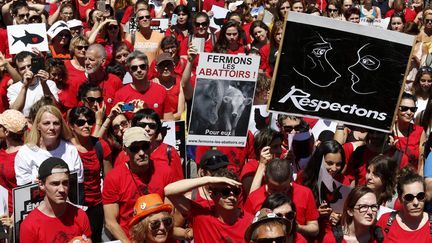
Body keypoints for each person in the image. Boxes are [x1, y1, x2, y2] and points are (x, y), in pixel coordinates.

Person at [103, 126, 176, 241]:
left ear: (150, 146)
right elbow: (111, 222)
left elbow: (169, 213)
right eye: (135, 148)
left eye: (145, 146)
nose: (141, 153)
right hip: (131, 239)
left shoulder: (164, 171)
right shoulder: (114, 177)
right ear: (125, 150)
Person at [165, 168, 254, 243]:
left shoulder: (250, 221)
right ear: (212, 194)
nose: (232, 197)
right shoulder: (201, 214)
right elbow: (169, 191)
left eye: (236, 192)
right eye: (225, 192)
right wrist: (208, 180)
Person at [19, 157, 92, 242]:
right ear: (41, 185)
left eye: (65, 183)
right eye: (55, 184)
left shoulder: (80, 216)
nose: (61, 189)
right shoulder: (30, 225)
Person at [243, 158, 319, 239]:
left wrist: (297, 227)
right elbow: (247, 229)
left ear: (291, 179)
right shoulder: (254, 198)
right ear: (265, 178)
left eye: (285, 189)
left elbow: (314, 228)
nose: (279, 194)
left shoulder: (305, 193)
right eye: (273, 190)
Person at [69, 106, 112, 242]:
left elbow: (109, 181)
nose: (86, 125)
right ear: (71, 126)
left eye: (90, 121)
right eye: (81, 123)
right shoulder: (65, 148)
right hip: (73, 207)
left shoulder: (100, 145)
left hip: (96, 206)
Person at [14, 105, 84, 186]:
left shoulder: (70, 150)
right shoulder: (25, 153)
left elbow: (78, 187)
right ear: (38, 126)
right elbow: (23, 192)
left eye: (56, 123)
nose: (52, 127)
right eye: (46, 123)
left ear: (61, 126)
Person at [298, 140, 349, 242]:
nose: (334, 168)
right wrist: (315, 214)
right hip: (307, 233)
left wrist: (339, 216)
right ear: (319, 160)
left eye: (338, 164)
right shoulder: (303, 177)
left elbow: (348, 211)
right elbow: (296, 214)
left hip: (333, 235)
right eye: (329, 163)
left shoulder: (343, 181)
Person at [113, 50, 174, 120]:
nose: (139, 70)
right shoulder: (120, 95)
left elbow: (169, 121)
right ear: (129, 70)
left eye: (142, 66)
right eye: (134, 68)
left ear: (147, 68)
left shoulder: (161, 91)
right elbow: (117, 123)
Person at [377, 168, 432, 242]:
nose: (416, 203)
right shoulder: (385, 221)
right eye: (409, 197)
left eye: (420, 196)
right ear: (400, 198)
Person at [7, 51, 59, 116]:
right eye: (22, 68)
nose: (27, 70)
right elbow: (15, 111)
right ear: (17, 71)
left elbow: (55, 107)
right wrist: (25, 87)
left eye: (29, 66)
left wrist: (44, 84)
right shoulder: (13, 88)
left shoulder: (49, 83)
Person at [0, 110, 26, 216]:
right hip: (3, 210)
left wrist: (15, 216)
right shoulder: (2, 150)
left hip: (16, 214)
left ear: (6, 131)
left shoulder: (26, 155)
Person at [393, 92, 426, 172]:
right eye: (404, 108)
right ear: (397, 108)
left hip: (411, 180)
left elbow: (421, 162)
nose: (409, 112)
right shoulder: (389, 131)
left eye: (413, 109)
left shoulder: (419, 131)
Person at [85, 43, 123, 112]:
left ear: (102, 62)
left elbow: (123, 106)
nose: (87, 62)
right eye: (85, 59)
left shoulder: (115, 81)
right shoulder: (81, 81)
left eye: (91, 59)